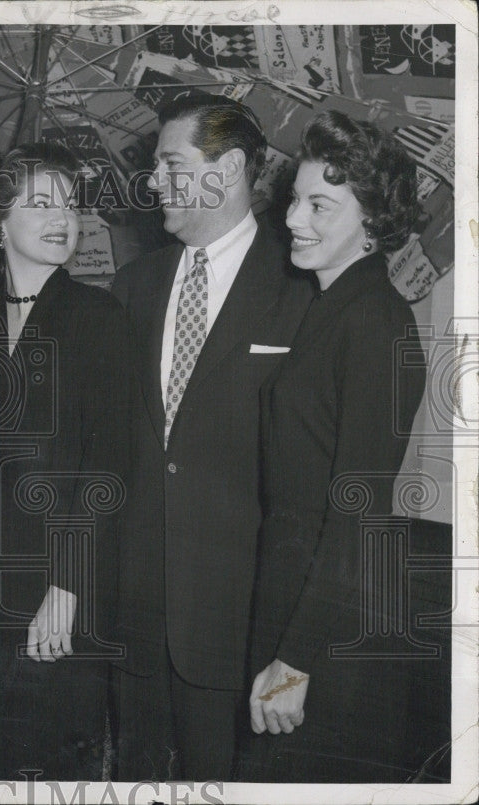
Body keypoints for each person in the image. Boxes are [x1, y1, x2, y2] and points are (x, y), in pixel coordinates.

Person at [108, 95, 314, 781]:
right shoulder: (131, 287)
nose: (154, 181)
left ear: (226, 170)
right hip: (135, 630)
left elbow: (323, 496)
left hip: (244, 641)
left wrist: (292, 659)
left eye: (171, 163)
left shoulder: (303, 291)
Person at [242, 110, 426, 782]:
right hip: (301, 602)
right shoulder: (331, 308)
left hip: (330, 632)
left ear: (373, 221)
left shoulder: (376, 321)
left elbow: (360, 510)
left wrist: (296, 658)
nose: (294, 219)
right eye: (295, 199)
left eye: (321, 204)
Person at [0, 144, 132, 780]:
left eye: (70, 203)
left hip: (60, 593)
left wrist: (70, 585)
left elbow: (108, 466)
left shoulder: (99, 316)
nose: (64, 217)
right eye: (40, 201)